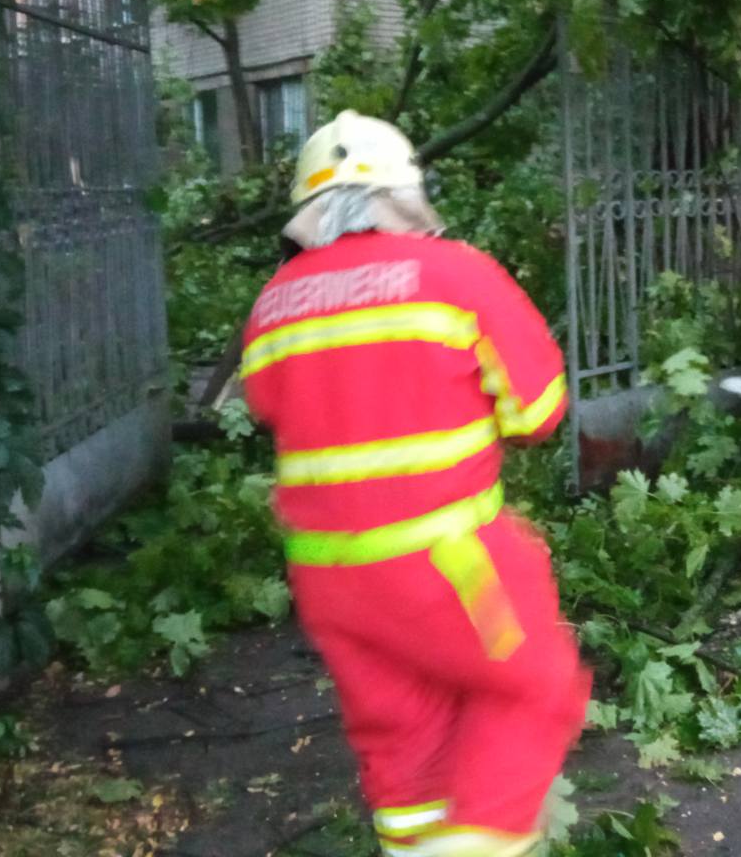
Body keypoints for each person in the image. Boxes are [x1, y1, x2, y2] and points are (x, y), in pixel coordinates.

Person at [241, 110, 589, 857]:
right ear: (402, 194)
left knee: (402, 742)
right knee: (535, 687)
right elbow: (538, 410)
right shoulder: (455, 273)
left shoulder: (272, 305)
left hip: (330, 581)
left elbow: (267, 404)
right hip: (448, 562)